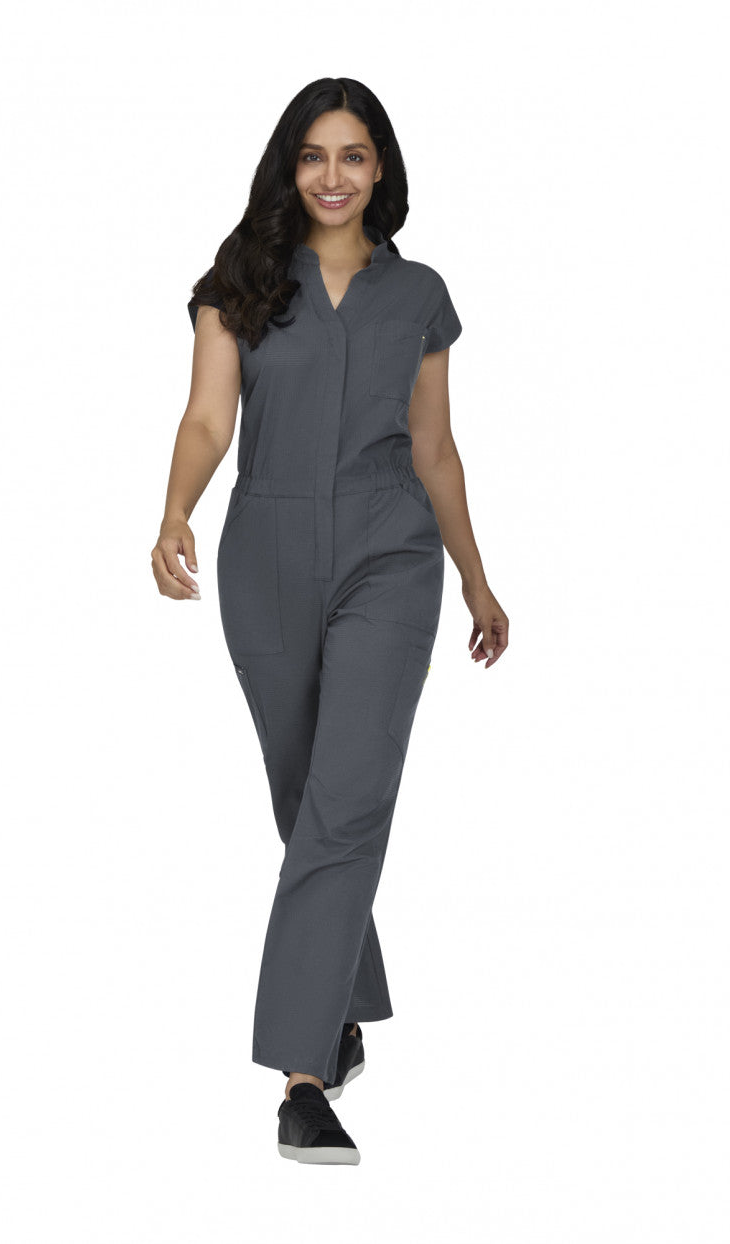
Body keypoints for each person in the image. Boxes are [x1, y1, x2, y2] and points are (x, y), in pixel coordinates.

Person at [150, 77, 509, 1165]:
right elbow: (208, 418)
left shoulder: (420, 295)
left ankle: (301, 1077)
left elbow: (434, 447)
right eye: (314, 155)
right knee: (304, 793)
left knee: (345, 804)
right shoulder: (241, 280)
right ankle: (343, 1000)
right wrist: (174, 508)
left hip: (390, 555)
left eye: (353, 155)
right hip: (265, 552)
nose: (333, 176)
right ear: (289, 166)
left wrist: (476, 579)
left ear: (380, 167)